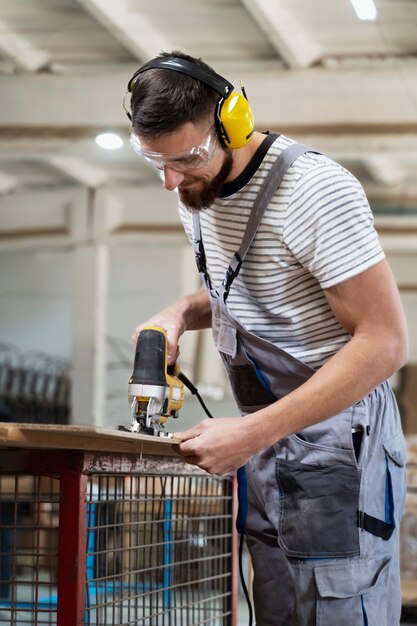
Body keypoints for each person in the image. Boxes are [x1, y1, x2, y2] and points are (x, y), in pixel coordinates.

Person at [124, 50, 408, 625]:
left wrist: (252, 432)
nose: (170, 180)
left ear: (233, 120)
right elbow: (260, 289)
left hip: (336, 437)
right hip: (270, 434)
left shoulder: (313, 191)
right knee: (279, 601)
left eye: (187, 158)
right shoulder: (194, 192)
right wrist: (180, 310)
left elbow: (384, 342)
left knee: (331, 604)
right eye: (154, 160)